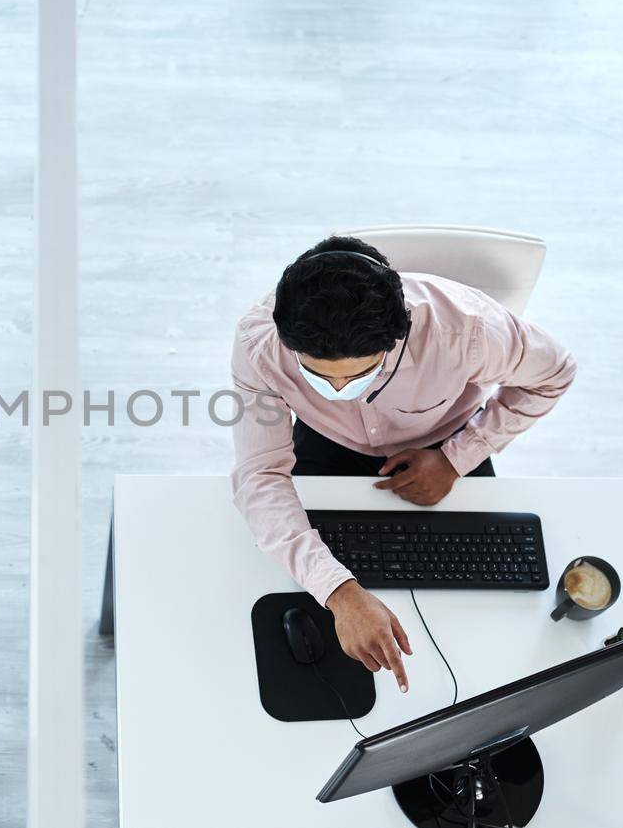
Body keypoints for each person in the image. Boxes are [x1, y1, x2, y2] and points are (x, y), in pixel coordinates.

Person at [230, 235, 576, 692]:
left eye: (359, 374)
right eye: (318, 375)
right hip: (324, 440)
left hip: (444, 442)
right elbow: (261, 473)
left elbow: (555, 374)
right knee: (289, 597)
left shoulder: (467, 329)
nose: (338, 388)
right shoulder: (260, 344)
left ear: (396, 338)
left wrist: (458, 458)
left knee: (488, 608)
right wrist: (340, 592)